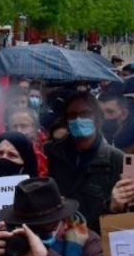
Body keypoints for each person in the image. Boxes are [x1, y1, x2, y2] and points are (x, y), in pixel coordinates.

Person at [44, 91, 124, 230]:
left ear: (97, 117)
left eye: (85, 114)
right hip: (57, 235)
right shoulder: (50, 152)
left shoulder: (116, 158)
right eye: (72, 115)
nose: (78, 119)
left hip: (96, 238)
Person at [98, 90, 134, 156]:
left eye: (110, 112)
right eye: (99, 112)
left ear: (124, 114)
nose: (104, 116)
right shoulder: (91, 137)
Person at [6, 108, 49, 179]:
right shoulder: (1, 150)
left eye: (23, 126)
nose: (18, 130)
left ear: (34, 126)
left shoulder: (46, 148)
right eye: (14, 126)